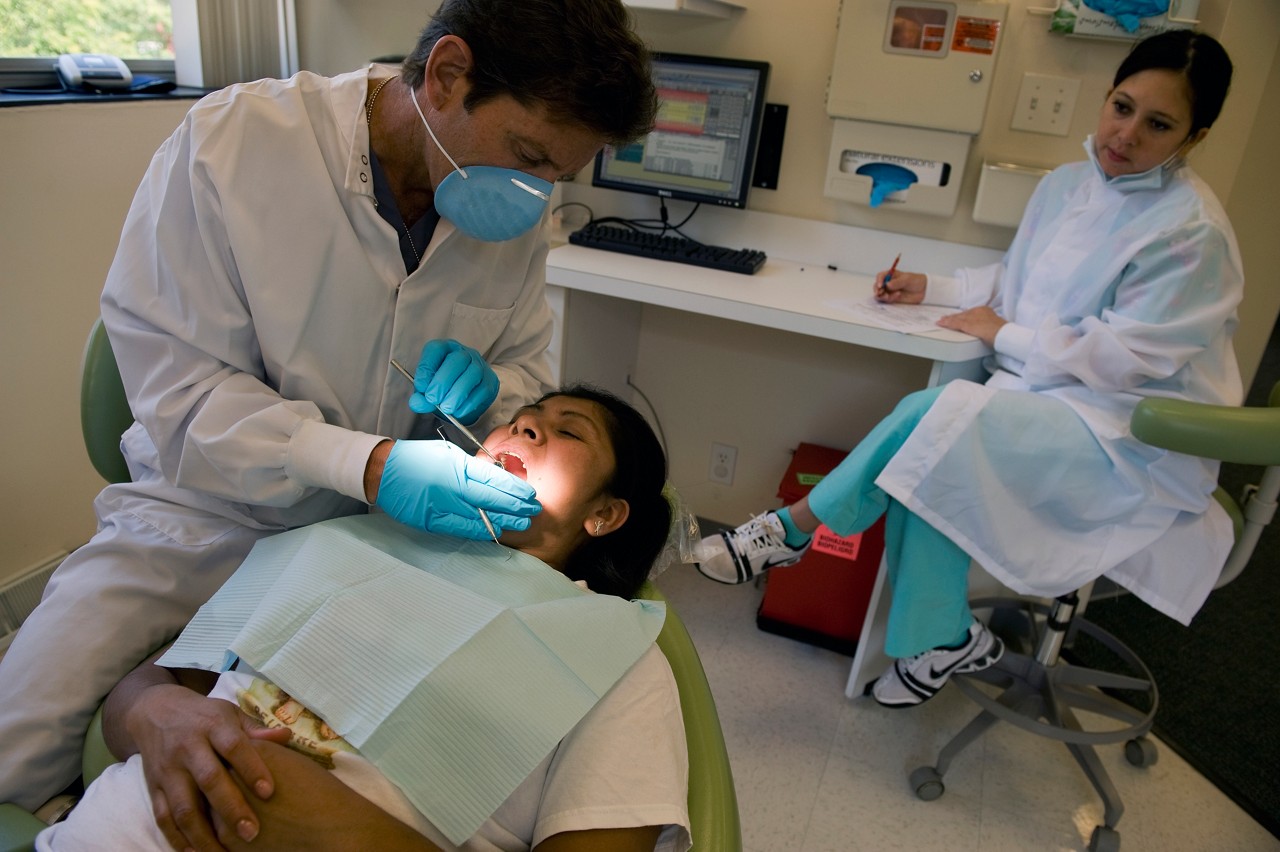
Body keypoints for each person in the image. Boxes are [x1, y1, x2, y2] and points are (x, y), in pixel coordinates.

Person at [0, 0, 657, 815]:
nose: (535, 196)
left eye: (557, 175)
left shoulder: (504, 201)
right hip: (208, 514)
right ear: (448, 76)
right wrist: (370, 463)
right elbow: (183, 397)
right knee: (17, 738)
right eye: (528, 155)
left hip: (390, 541)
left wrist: (495, 389)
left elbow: (524, 364)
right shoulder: (234, 147)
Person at [696, 30, 1242, 708]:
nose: (1125, 134)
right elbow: (1021, 281)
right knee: (936, 450)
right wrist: (938, 288)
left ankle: (794, 528)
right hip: (1046, 397)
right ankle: (943, 640)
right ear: (1107, 97)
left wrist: (1004, 332)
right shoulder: (1069, 184)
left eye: (1158, 124)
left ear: (1195, 136)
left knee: (937, 420)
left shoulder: (1191, 231)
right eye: (1122, 107)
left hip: (1128, 436)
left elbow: (1123, 360)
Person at [38, 385, 691, 852]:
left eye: (567, 430)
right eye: (520, 418)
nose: (523, 427)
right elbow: (146, 691)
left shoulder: (616, 655)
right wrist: (161, 717)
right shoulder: (345, 544)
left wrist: (331, 825)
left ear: (603, 515)